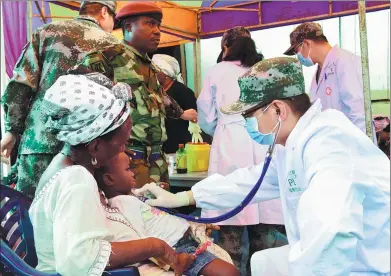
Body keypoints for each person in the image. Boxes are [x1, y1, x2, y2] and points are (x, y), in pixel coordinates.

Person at [134, 57, 390, 276]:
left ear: (278, 110)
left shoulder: (330, 145)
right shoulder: (296, 143)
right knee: (263, 263)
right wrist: (183, 197)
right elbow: (253, 181)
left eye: (249, 116)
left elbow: (331, 237)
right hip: (342, 260)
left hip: (362, 266)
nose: (247, 124)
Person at [29, 73, 200, 276]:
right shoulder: (77, 180)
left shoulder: (64, 163)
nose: (126, 150)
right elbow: (79, 261)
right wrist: (156, 246)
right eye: (121, 143)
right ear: (95, 147)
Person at [0, 1, 121, 199]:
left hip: (38, 143)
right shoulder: (112, 44)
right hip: (86, 151)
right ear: (104, 11)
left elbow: (20, 86)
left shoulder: (45, 32)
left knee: (30, 214)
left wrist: (12, 130)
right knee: (78, 217)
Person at [70, 2, 197, 189]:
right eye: (150, 24)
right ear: (128, 26)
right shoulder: (107, 57)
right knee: (129, 214)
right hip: (127, 163)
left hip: (156, 161)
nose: (157, 31)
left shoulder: (151, 67)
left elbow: (161, 99)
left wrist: (181, 113)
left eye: (158, 26)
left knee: (157, 214)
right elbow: (81, 99)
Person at [197, 27, 286, 275]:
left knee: (229, 229)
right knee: (266, 239)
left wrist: (219, 129)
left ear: (225, 47)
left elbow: (205, 114)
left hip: (229, 144)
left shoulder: (217, 71)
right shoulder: (265, 69)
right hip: (265, 139)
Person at [94, 151, 239, 276]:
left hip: (187, 238)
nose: (133, 173)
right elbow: (139, 237)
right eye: (127, 170)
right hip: (178, 247)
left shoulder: (133, 196)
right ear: (109, 179)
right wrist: (172, 260)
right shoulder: (122, 203)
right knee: (229, 272)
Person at [283, 22, 377, 144]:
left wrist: (363, 148)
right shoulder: (319, 72)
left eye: (297, 51)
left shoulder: (345, 62)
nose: (298, 56)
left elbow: (359, 112)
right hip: (335, 144)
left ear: (307, 43)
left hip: (354, 145)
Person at [152, 54, 199, 154]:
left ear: (165, 73)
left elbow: (195, 116)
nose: (153, 73)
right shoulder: (156, 90)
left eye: (156, 70)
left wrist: (182, 114)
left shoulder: (183, 91)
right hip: (163, 143)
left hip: (179, 144)